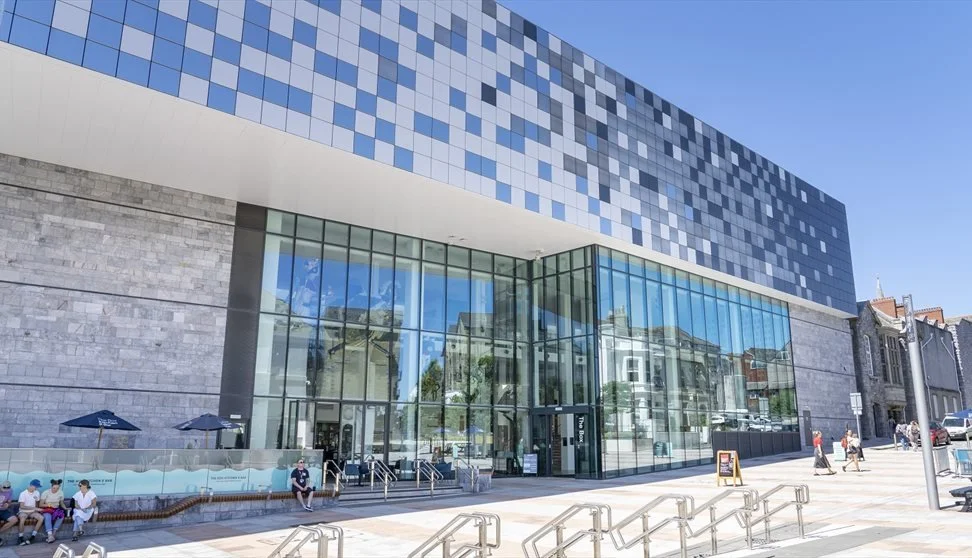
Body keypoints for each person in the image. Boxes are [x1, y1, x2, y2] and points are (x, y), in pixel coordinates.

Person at [39, 479, 67, 543]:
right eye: (54, 488)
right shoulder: (46, 492)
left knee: (61, 516)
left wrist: (65, 508)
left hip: (56, 509)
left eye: (57, 488)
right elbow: (40, 504)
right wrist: (49, 505)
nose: (55, 490)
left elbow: (61, 503)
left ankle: (53, 535)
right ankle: (49, 535)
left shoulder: (61, 492)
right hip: (47, 509)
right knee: (47, 516)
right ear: (51, 486)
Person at [16, 479, 43, 545]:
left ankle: (33, 537)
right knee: (22, 519)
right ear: (31, 485)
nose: (36, 488)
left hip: (32, 512)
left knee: (41, 518)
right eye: (35, 486)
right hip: (23, 511)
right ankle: (20, 537)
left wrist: (37, 510)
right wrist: (34, 508)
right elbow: (22, 506)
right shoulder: (23, 493)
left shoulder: (37, 492)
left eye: (37, 487)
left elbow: (37, 502)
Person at [0, 480, 19, 546]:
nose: (5, 491)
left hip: (4, 510)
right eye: (4, 489)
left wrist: (7, 504)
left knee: (14, 520)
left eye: (7, 489)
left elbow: (9, 502)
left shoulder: (10, 490)